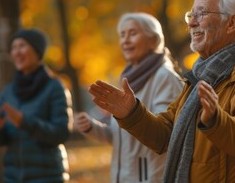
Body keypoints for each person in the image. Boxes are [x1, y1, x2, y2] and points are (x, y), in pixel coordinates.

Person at [88, 0, 235, 182]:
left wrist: (215, 119)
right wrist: (132, 113)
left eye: (202, 13)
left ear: (231, 23)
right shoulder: (198, 77)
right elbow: (165, 136)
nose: (192, 22)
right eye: (191, 14)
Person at [75, 12, 183, 183]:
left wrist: (131, 113)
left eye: (133, 33)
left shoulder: (164, 77)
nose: (125, 40)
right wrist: (92, 128)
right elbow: (122, 136)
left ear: (153, 41)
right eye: (122, 35)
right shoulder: (129, 79)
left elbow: (163, 134)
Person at [0, 28, 72, 182]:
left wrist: (24, 122)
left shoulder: (55, 87)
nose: (16, 52)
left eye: (22, 46)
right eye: (13, 48)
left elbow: (61, 133)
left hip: (47, 177)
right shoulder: (8, 92)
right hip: (12, 177)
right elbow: (2, 140)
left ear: (37, 50)